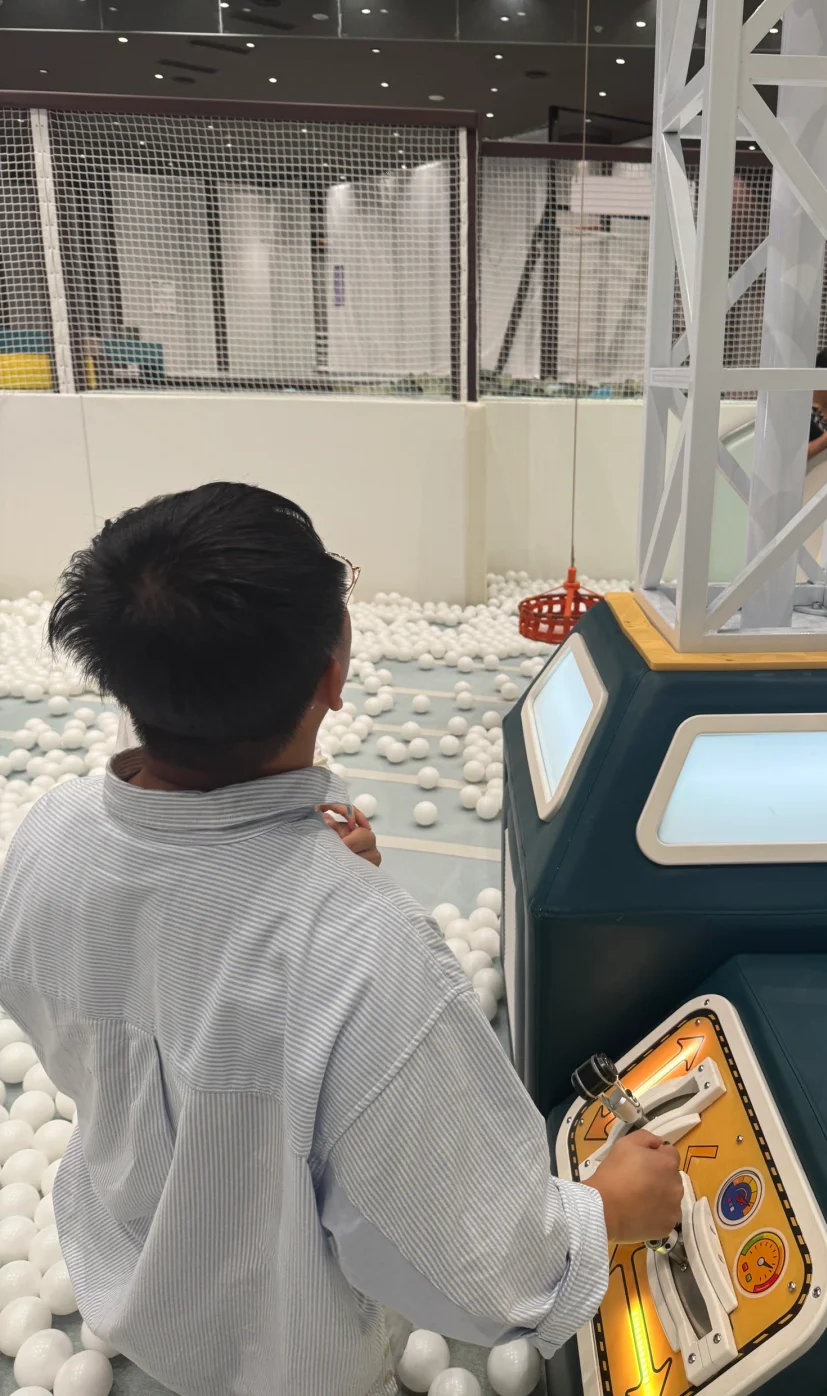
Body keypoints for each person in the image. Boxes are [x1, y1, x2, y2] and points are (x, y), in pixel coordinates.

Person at [0, 482, 682, 1396]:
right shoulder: (364, 956)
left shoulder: (48, 836)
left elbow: (149, 976)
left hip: (124, 1274)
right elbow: (488, 1258)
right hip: (292, 1352)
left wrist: (312, 887)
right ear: (333, 673)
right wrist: (605, 1212)